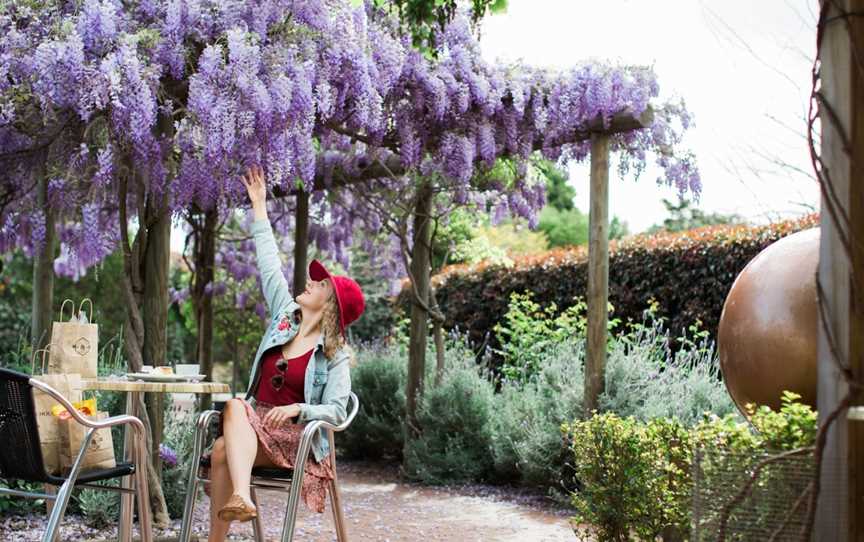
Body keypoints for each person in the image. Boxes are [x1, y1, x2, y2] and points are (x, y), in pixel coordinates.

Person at [205, 165, 365, 542]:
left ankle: (236, 505)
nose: (309, 282)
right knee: (223, 444)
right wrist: (259, 206)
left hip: (296, 438)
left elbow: (339, 410)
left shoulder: (335, 356)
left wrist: (299, 409)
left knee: (227, 427)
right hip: (254, 426)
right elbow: (268, 265)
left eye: (319, 284)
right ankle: (240, 500)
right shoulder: (284, 318)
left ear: (331, 307)